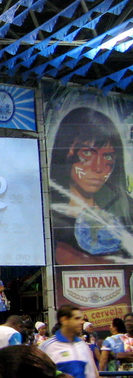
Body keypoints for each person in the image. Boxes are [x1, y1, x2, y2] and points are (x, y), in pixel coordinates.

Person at [49, 107, 133, 264]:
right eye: (87, 153)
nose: (98, 168)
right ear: (65, 150)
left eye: (107, 156)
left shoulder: (127, 211)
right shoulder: (45, 213)